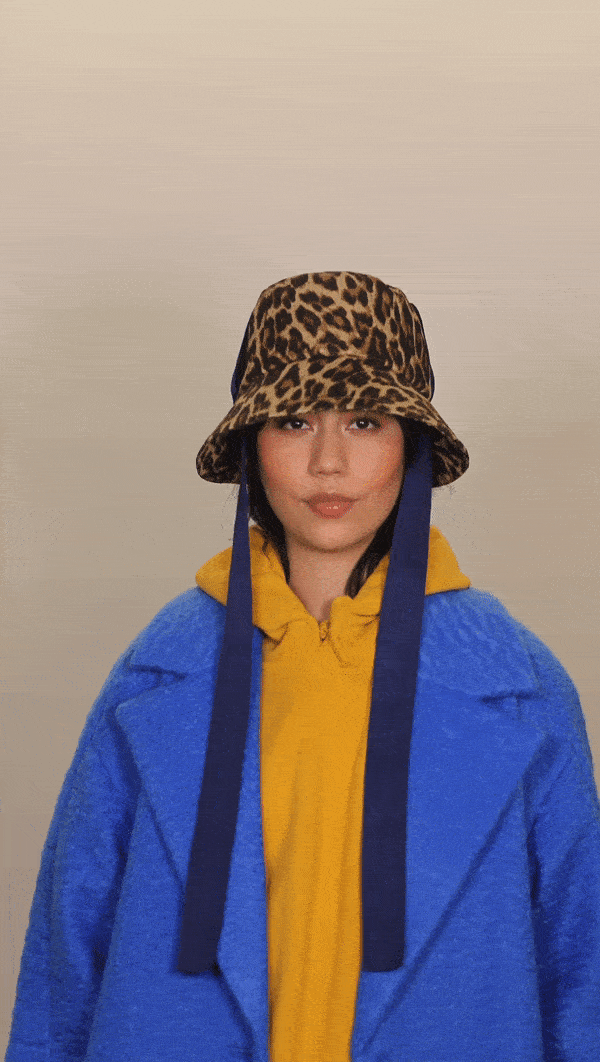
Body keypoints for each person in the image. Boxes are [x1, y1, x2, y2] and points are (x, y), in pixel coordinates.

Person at [6, 271, 600, 1062]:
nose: (328, 461)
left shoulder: (522, 687)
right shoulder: (156, 672)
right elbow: (64, 962)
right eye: (293, 421)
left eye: (364, 420)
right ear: (252, 446)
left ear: (410, 444)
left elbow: (582, 973)